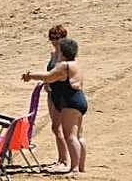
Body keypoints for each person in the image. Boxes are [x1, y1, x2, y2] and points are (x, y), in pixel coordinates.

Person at [22, 37, 87, 174]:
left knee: (70, 135)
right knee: (78, 135)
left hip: (70, 102)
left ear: (62, 52)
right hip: (79, 100)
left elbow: (48, 77)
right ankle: (80, 167)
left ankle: (74, 169)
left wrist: (30, 75)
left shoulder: (64, 66)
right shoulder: (76, 63)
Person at [41, 26, 71, 169]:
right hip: (51, 93)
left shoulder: (67, 55)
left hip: (62, 95)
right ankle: (61, 158)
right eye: (52, 38)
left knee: (60, 127)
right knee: (55, 127)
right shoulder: (53, 55)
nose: (54, 41)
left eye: (56, 38)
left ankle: (64, 160)